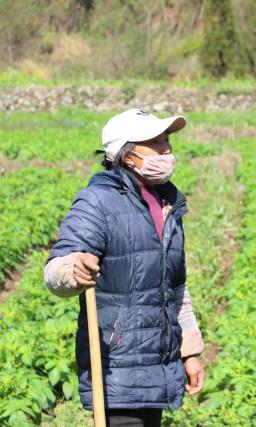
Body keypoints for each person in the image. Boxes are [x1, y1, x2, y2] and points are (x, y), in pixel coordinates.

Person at [44, 108, 205, 426]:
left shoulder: (168, 205)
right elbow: (54, 271)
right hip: (116, 370)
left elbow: (174, 289)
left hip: (158, 371)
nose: (166, 150)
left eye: (167, 141)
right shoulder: (97, 202)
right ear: (126, 155)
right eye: (155, 142)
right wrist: (72, 270)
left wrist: (189, 350)